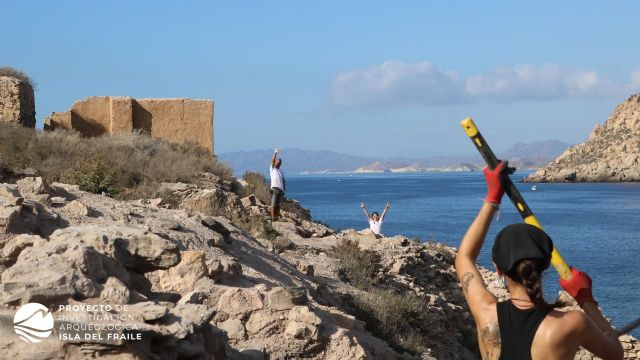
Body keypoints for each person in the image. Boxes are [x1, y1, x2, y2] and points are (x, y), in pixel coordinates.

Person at [455, 161, 623, 360]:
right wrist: (586, 300)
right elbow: (616, 354)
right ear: (545, 265)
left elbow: (464, 257)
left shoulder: (485, 311)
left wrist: (492, 198)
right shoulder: (572, 324)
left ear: (498, 269)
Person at [269, 148, 286, 222]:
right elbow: (272, 161)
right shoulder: (273, 169)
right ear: (275, 162)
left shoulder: (281, 171)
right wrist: (275, 154)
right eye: (277, 162)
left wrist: (284, 189)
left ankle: (277, 217)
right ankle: (273, 218)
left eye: (279, 162)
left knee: (278, 205)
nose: (278, 163)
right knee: (273, 204)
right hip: (275, 188)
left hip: (280, 190)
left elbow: (283, 180)